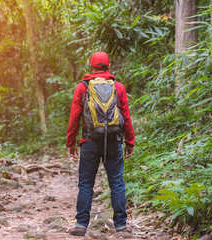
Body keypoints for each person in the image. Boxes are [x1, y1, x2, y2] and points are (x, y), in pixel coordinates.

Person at [66, 51, 135, 236]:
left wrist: (70, 142)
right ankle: (121, 226)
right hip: (113, 141)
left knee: (86, 184)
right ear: (108, 66)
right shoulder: (118, 87)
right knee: (117, 183)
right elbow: (125, 116)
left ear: (91, 66)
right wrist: (130, 141)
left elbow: (74, 117)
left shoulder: (83, 87)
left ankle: (81, 225)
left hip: (89, 141)